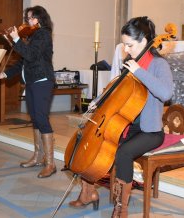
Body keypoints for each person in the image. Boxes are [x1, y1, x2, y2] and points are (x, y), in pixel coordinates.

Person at [69, 16, 174, 218]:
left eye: (129, 45)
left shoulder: (159, 65)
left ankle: (121, 209)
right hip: (127, 124)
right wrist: (98, 100)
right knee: (94, 146)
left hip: (150, 130)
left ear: (144, 40)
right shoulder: (130, 61)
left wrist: (139, 71)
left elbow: (166, 93)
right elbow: (116, 86)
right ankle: (87, 192)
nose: (126, 50)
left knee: (123, 153)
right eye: (124, 45)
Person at [0, 5, 56, 178]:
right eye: (27, 18)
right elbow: (22, 63)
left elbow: (31, 55)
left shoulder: (43, 34)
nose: (27, 22)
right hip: (31, 82)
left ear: (39, 19)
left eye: (30, 18)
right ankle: (37, 157)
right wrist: (5, 73)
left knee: (42, 119)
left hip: (42, 81)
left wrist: (16, 40)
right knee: (35, 119)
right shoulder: (31, 37)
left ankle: (50, 163)